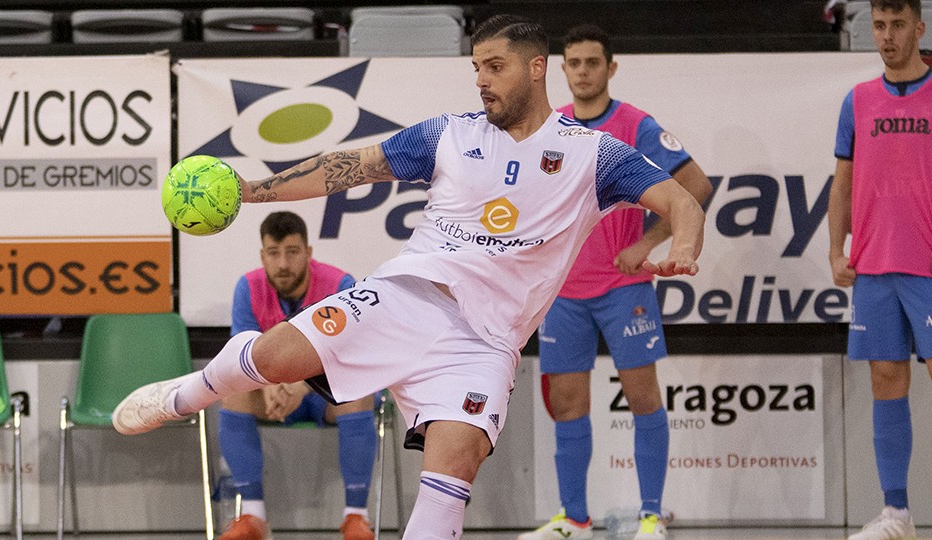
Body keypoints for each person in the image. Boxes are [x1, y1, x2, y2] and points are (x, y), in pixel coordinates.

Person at [113, 14, 705, 539]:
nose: (482, 80)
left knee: (454, 469)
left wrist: (680, 245)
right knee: (270, 358)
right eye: (477, 68)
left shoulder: (593, 154)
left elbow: (684, 201)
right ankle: (182, 396)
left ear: (535, 68)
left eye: (495, 67)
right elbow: (345, 168)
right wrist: (250, 190)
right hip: (406, 299)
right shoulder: (449, 134)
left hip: (485, 343)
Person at [520, 24, 713, 540]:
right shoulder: (548, 125)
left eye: (592, 62)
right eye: (574, 63)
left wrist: (646, 243)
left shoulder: (635, 124)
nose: (583, 71)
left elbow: (695, 186)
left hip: (623, 289)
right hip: (563, 291)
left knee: (643, 398)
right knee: (567, 404)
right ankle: (574, 520)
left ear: (611, 67)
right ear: (561, 69)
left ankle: (651, 516)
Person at [827, 1, 931, 539]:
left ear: (919, 26)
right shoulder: (858, 100)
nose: (887, 37)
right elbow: (842, 182)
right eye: (880, 26)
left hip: (929, 267)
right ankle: (897, 515)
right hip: (875, 268)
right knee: (886, 382)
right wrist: (835, 250)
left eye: (897, 26)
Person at [217, 211, 377, 540]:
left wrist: (303, 385)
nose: (283, 264)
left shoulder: (339, 284)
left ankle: (356, 518)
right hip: (273, 394)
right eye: (273, 253)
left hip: (323, 394)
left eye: (292, 252)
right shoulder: (248, 287)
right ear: (263, 255)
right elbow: (242, 353)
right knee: (232, 394)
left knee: (360, 394)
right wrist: (268, 386)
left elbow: (350, 354)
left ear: (308, 252)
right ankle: (252, 517)